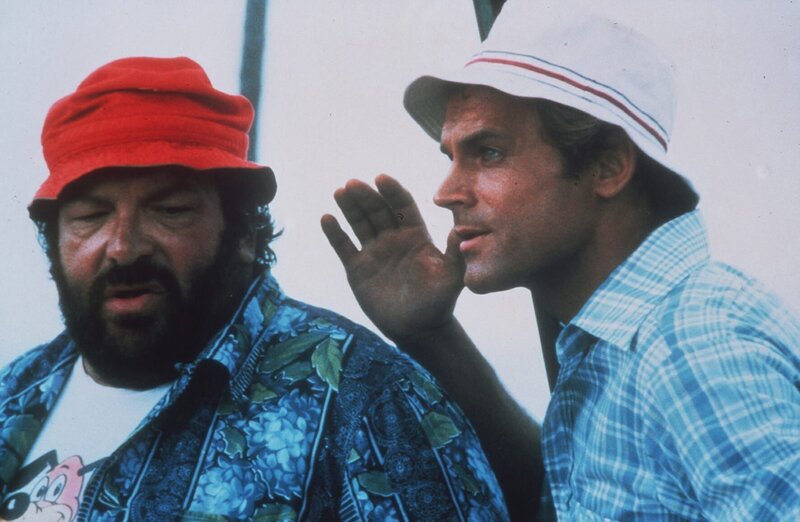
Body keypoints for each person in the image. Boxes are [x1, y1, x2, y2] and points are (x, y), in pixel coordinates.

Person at [321, 4, 800, 521]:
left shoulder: (692, 344)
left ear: (608, 166)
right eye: (452, 157)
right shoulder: (617, 345)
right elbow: (559, 506)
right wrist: (431, 335)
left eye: (489, 153)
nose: (446, 193)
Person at [0, 56, 509, 521]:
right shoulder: (13, 391)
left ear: (243, 231)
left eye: (169, 210)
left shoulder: (366, 400)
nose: (123, 247)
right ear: (54, 238)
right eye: (90, 216)